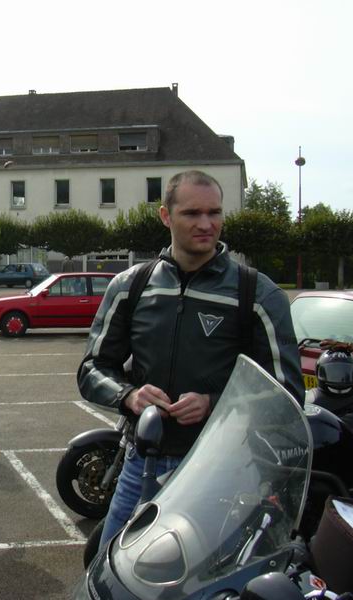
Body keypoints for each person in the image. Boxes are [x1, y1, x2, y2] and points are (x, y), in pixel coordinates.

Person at [77, 170, 304, 549]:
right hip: (141, 466)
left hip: (222, 471)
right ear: (166, 216)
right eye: (192, 213)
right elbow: (92, 370)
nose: (206, 224)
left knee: (201, 575)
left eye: (214, 212)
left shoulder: (258, 294)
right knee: (110, 567)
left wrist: (214, 404)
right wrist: (129, 396)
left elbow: (287, 394)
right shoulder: (130, 286)